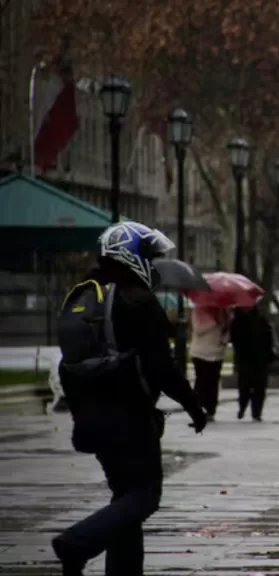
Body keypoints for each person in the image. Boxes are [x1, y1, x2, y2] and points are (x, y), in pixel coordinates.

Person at [52, 222, 207, 576]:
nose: (152, 266)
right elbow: (160, 367)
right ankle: (76, 543)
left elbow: (67, 367)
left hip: (93, 416)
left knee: (125, 498)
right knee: (144, 495)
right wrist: (193, 405)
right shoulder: (136, 300)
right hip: (130, 417)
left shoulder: (86, 294)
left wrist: (82, 414)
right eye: (148, 257)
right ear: (130, 255)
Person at [230, 305, 276, 422]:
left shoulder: (260, 320)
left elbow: (268, 338)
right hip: (247, 359)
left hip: (257, 360)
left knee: (258, 388)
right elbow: (234, 339)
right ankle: (243, 407)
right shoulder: (238, 321)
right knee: (246, 387)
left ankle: (256, 412)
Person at [190, 306, 231, 422]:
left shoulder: (223, 311)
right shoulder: (199, 310)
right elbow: (198, 329)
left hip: (217, 353)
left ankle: (211, 409)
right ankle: (197, 408)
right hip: (201, 352)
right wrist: (214, 321)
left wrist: (225, 337)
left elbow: (225, 331)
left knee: (213, 382)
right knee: (201, 381)